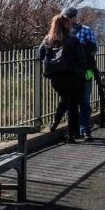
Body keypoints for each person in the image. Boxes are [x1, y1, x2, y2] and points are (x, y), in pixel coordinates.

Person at [38, 12, 87, 143]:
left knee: (65, 99)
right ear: (66, 25)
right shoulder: (73, 39)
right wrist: (82, 72)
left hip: (56, 78)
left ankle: (55, 122)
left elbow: (40, 54)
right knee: (72, 105)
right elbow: (82, 58)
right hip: (73, 77)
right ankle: (72, 134)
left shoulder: (48, 39)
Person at [62, 7, 98, 141]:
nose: (69, 20)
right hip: (70, 74)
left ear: (73, 18)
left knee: (84, 101)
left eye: (69, 17)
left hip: (85, 71)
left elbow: (94, 49)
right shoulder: (62, 33)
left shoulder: (85, 30)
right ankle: (74, 130)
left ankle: (85, 130)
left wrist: (81, 48)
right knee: (71, 103)